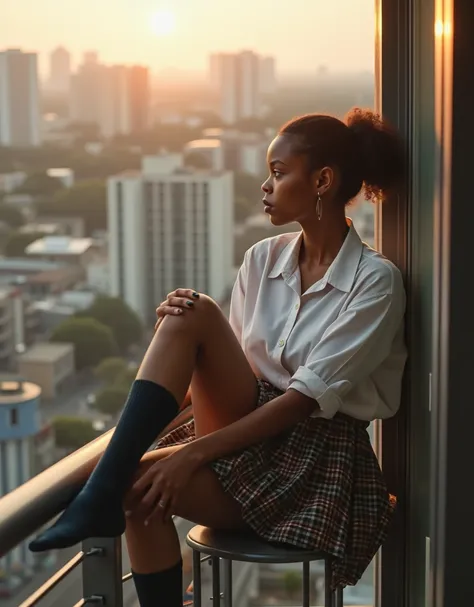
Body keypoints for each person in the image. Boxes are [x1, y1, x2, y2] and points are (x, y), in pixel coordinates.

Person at [29, 108, 407, 607]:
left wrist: (188, 455)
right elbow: (226, 371)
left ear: (322, 180)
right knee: (190, 310)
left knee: (137, 491)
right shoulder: (262, 257)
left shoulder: (374, 282)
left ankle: (105, 490)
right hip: (243, 421)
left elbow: (301, 403)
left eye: (278, 172)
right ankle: (106, 485)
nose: (265, 187)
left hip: (310, 456)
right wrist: (163, 427)